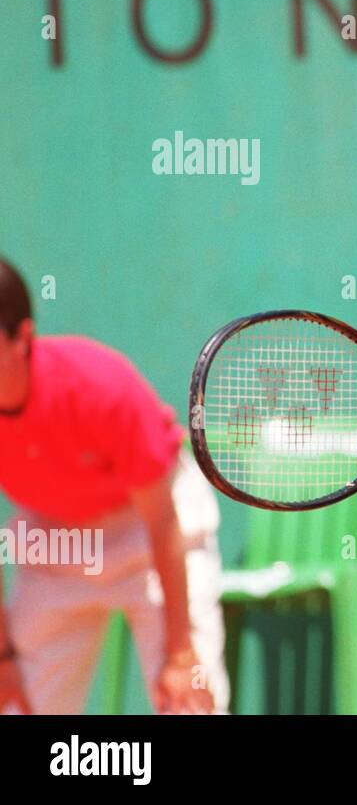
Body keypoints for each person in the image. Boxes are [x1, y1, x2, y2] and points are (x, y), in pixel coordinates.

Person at [0, 257, 229, 714]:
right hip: (57, 543)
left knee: (191, 703)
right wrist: (4, 659)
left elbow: (165, 522)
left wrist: (180, 653)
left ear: (23, 338)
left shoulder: (99, 387)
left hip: (152, 536)